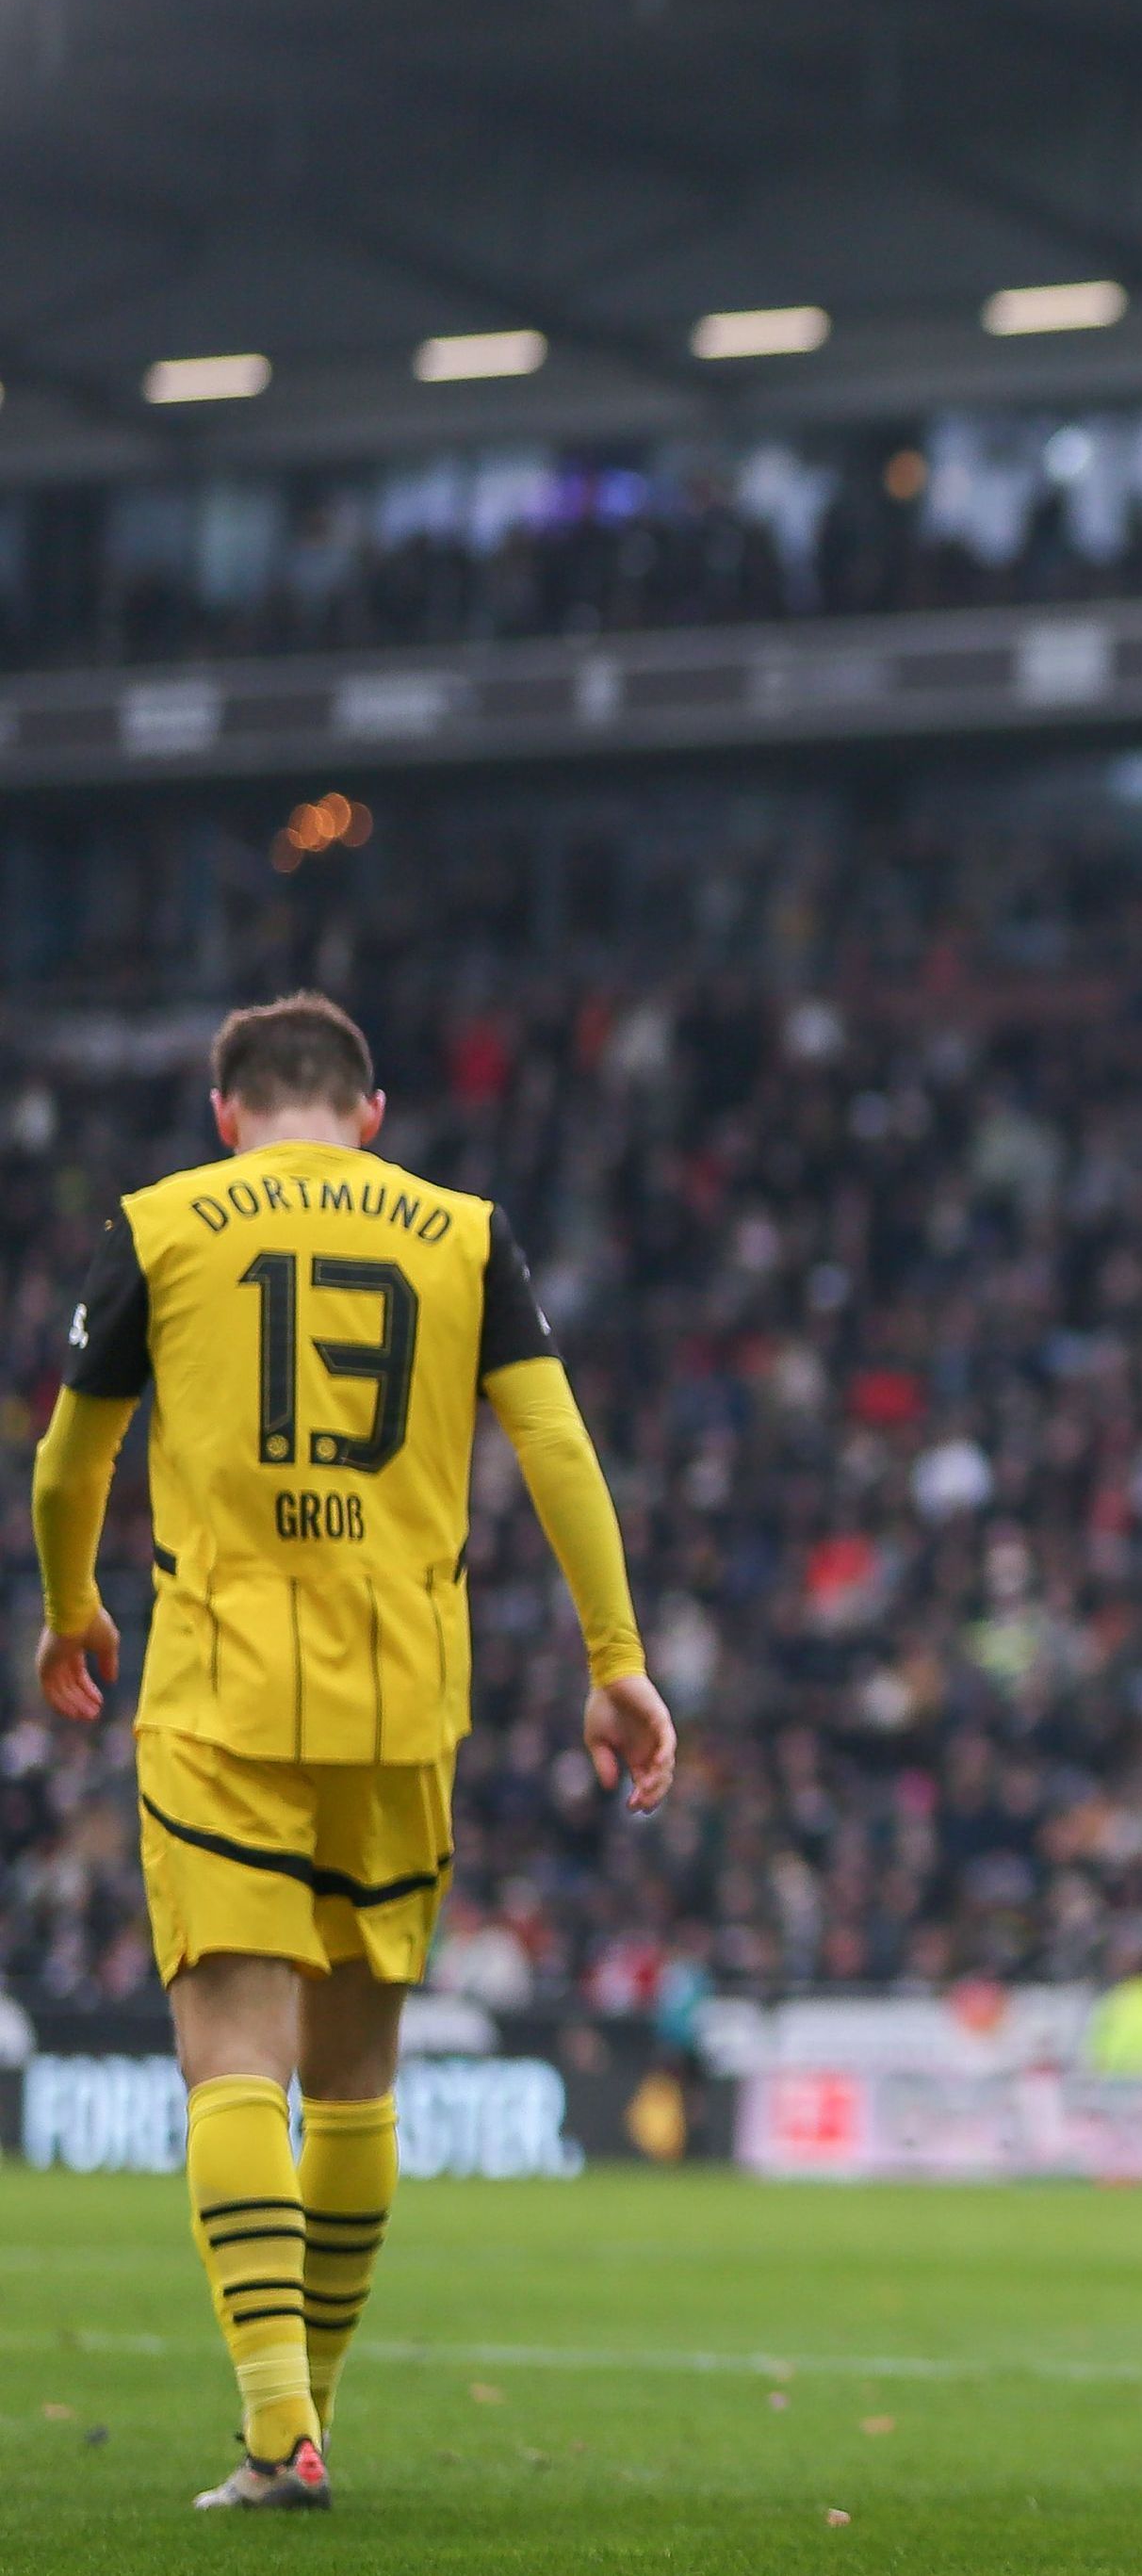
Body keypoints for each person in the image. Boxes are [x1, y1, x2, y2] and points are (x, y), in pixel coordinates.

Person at [29, 991, 676, 2514]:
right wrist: (616, 1662)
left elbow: (71, 1457)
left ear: (226, 1112)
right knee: (359, 2081)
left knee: (232, 2061)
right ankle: (306, 2410)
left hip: (220, 1690)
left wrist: (68, 1609)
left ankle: (276, 2429)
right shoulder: (463, 1231)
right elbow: (557, 1444)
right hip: (405, 1698)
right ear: (370, 1114)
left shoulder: (162, 1223)